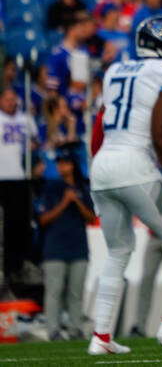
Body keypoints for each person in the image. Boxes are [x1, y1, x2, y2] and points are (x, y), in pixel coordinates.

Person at [87, 17, 162, 354]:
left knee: (117, 251)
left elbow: (98, 127)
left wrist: (95, 172)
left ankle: (101, 335)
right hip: (133, 162)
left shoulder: (115, 70)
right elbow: (160, 134)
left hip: (103, 163)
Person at [36, 149, 94, 340]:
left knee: (76, 292)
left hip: (78, 246)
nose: (62, 166)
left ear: (73, 165)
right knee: (54, 291)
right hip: (55, 248)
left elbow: (91, 218)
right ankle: (53, 330)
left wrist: (76, 201)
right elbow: (43, 219)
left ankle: (75, 329)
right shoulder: (51, 188)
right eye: (59, 163)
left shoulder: (83, 188)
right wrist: (64, 202)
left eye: (65, 163)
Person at [0, 87, 38, 284]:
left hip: (19, 177)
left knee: (18, 225)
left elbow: (35, 141)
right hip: (1, 177)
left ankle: (15, 267)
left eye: (13, 99)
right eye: (7, 99)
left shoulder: (25, 120)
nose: (11, 102)